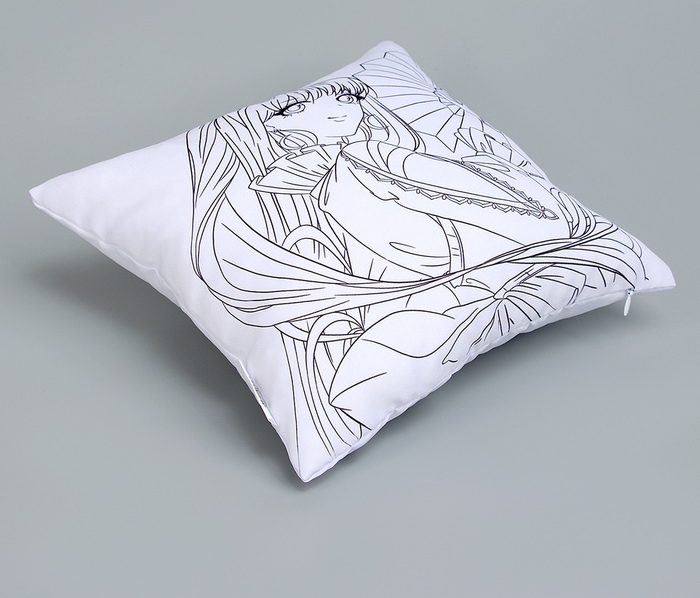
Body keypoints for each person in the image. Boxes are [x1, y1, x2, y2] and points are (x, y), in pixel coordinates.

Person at [187, 74, 644, 463]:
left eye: (348, 97)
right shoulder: (324, 170)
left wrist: (549, 232)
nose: (344, 105)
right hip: (426, 275)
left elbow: (469, 195)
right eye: (299, 107)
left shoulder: (374, 156)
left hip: (467, 263)